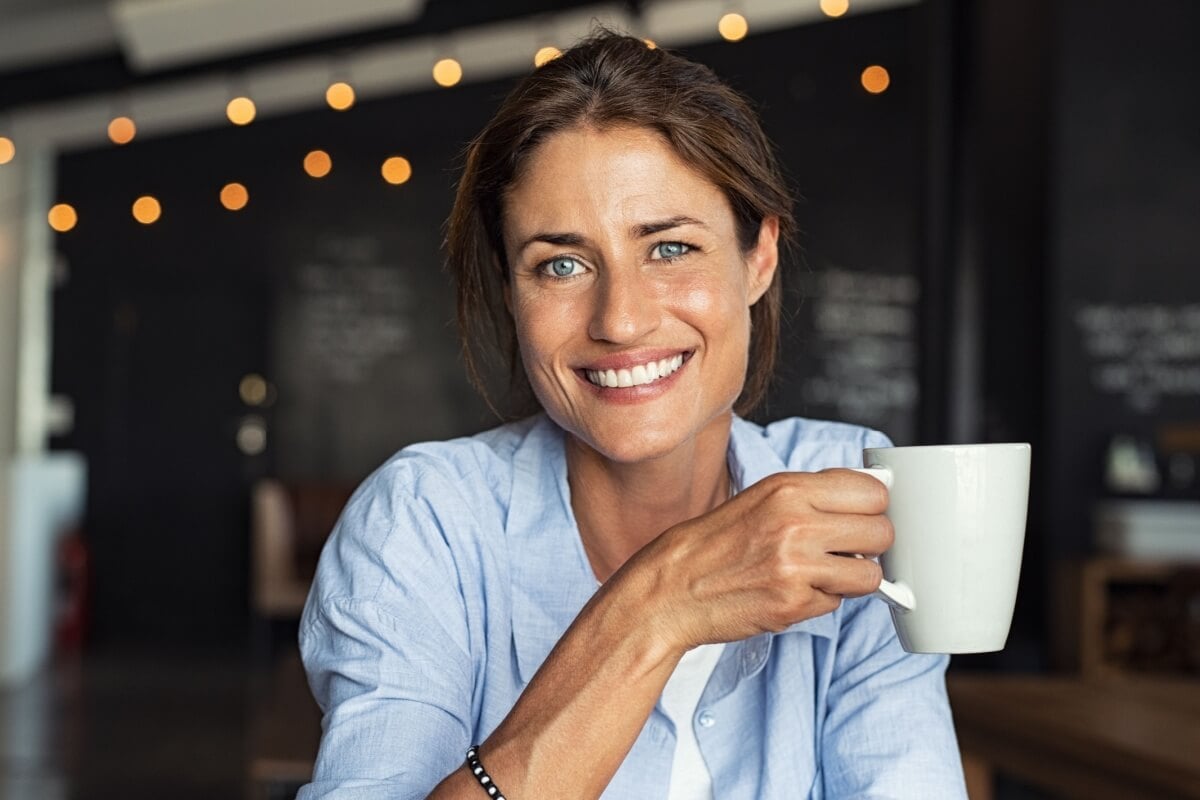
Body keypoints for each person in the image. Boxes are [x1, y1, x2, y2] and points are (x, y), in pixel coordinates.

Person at [297, 30, 967, 800]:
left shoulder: (847, 493)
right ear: (513, 293)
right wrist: (655, 608)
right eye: (562, 264)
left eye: (671, 249)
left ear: (759, 257)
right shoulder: (426, 525)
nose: (620, 320)